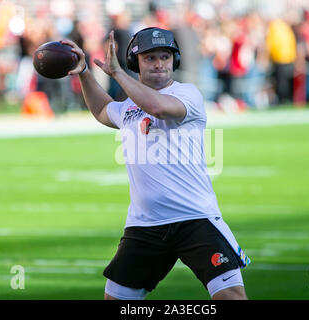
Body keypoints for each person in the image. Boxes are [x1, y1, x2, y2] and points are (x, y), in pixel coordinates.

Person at [61, 27, 250, 300]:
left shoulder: (188, 94)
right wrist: (83, 73)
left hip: (194, 217)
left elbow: (158, 107)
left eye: (165, 56)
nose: (160, 63)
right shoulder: (129, 106)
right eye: (150, 58)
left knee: (231, 297)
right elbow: (103, 110)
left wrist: (117, 74)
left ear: (175, 61)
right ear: (135, 62)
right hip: (144, 224)